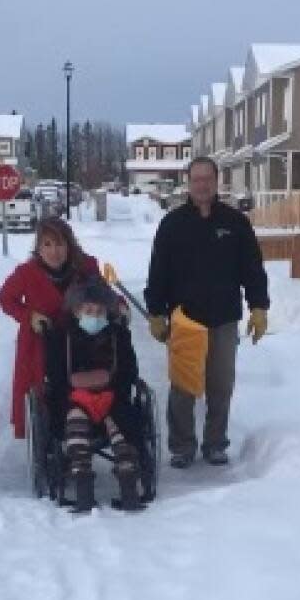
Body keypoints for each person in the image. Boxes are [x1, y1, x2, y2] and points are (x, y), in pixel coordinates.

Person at [144, 157, 269, 468]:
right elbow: (158, 273)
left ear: (217, 181)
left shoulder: (235, 223)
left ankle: (215, 443)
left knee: (220, 384)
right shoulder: (172, 225)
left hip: (224, 317)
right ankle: (182, 446)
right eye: (197, 179)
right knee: (184, 387)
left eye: (207, 179)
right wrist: (156, 312)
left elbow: (252, 269)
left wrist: (258, 307)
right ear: (188, 183)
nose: (202, 184)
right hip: (185, 320)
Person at [45, 280, 142, 512]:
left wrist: (111, 393)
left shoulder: (118, 335)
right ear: (77, 311)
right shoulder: (62, 338)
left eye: (99, 311)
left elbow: (129, 371)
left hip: (112, 396)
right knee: (75, 421)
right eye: (88, 311)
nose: (94, 316)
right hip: (73, 398)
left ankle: (129, 488)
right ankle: (83, 488)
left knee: (121, 426)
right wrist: (76, 395)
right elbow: (55, 376)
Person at [0, 217, 99, 439]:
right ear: (39, 248)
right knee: (50, 388)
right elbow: (6, 298)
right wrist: (29, 316)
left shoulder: (86, 267)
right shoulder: (27, 272)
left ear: (69, 245)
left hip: (81, 340)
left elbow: (104, 294)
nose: (55, 251)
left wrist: (119, 306)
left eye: (60, 244)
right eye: (48, 244)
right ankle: (56, 429)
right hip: (42, 341)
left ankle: (88, 418)